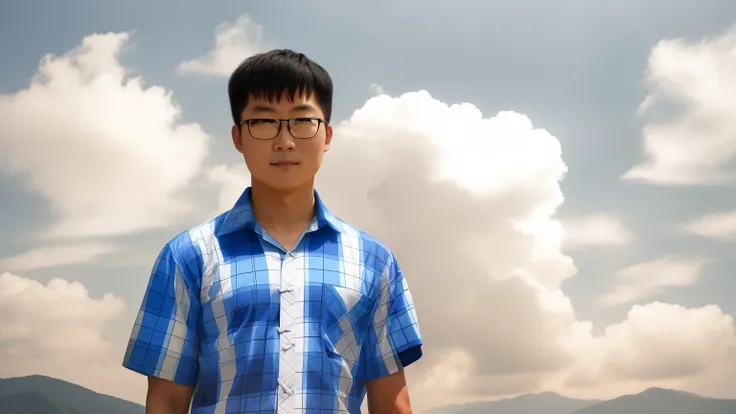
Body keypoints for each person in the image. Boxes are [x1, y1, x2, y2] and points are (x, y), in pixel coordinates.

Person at [122, 49, 424, 413]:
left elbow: (392, 401)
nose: (285, 140)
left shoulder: (375, 261)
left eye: (301, 121)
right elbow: (166, 400)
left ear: (326, 135)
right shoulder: (188, 255)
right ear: (238, 137)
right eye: (264, 122)